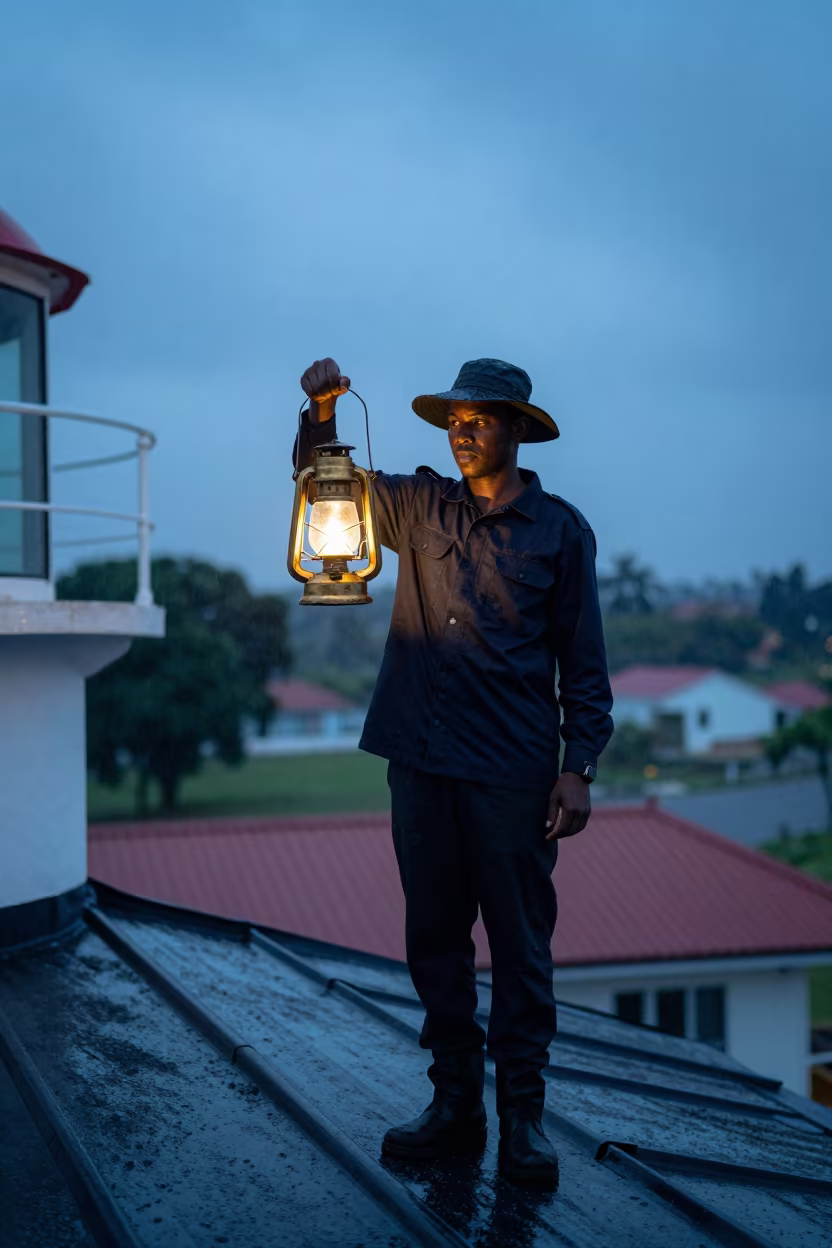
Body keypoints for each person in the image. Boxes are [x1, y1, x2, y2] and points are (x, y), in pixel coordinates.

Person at [294, 356, 613, 1188]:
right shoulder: (416, 502)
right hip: (420, 758)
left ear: (516, 428)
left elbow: (583, 664)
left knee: (518, 946)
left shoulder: (562, 531)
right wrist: (320, 414)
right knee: (434, 940)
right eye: (455, 420)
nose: (464, 431)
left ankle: (525, 1120)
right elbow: (320, 480)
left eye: (481, 419)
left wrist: (577, 766)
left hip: (511, 770)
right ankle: (454, 1104)